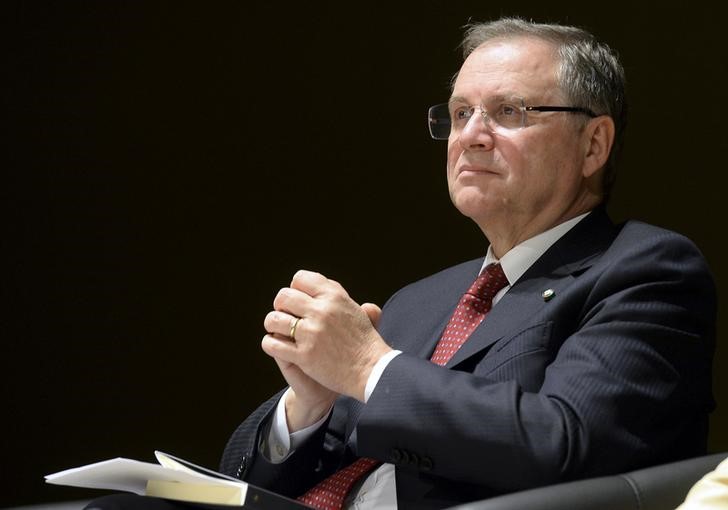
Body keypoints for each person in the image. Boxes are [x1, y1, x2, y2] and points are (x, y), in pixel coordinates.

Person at [86, 16, 716, 510]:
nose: (471, 134)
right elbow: (240, 472)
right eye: (461, 113)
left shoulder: (644, 269)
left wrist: (367, 365)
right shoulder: (422, 300)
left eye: (509, 111)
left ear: (593, 144)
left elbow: (569, 445)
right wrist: (310, 406)